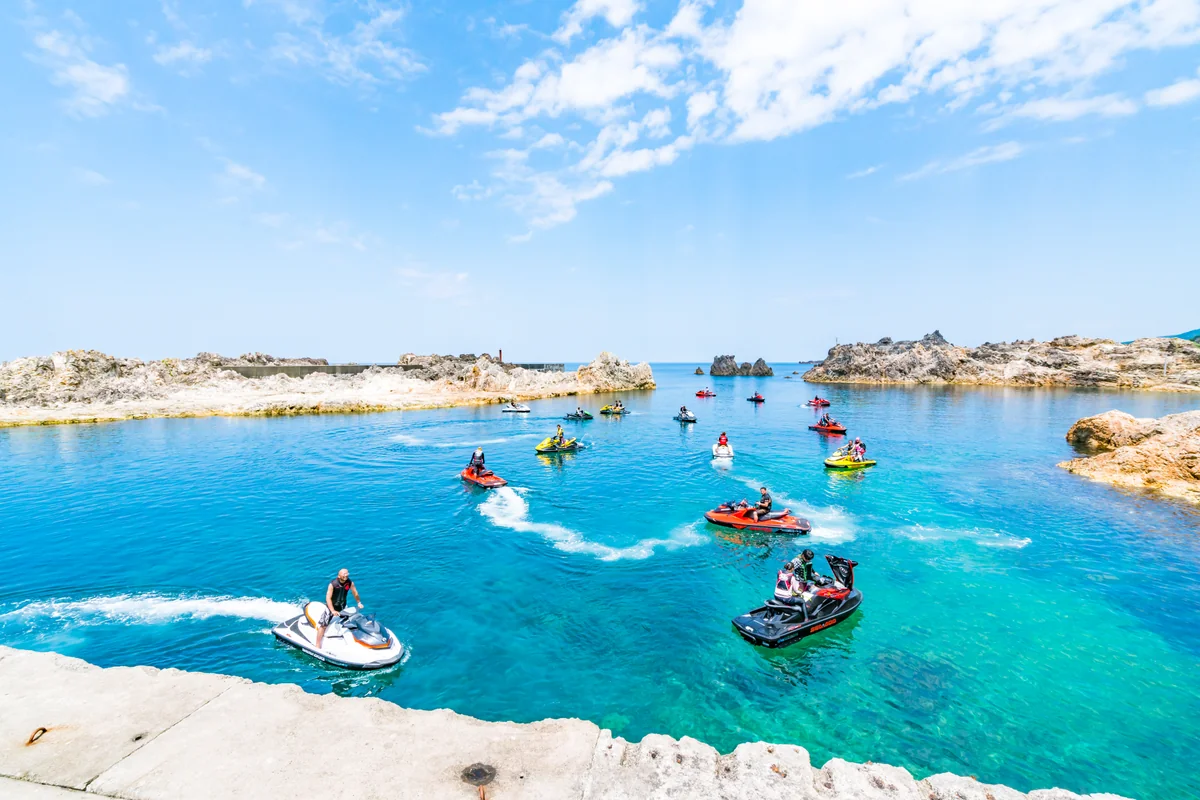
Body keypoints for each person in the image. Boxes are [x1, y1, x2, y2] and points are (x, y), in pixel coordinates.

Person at [315, 569, 362, 648]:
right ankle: (317, 644)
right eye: (344, 574)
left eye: (347, 573)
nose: (346, 575)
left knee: (350, 620)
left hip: (342, 606)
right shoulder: (333, 584)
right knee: (323, 625)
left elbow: (355, 593)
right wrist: (332, 610)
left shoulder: (349, 582)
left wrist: (359, 602)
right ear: (339, 576)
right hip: (331, 607)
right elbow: (328, 598)